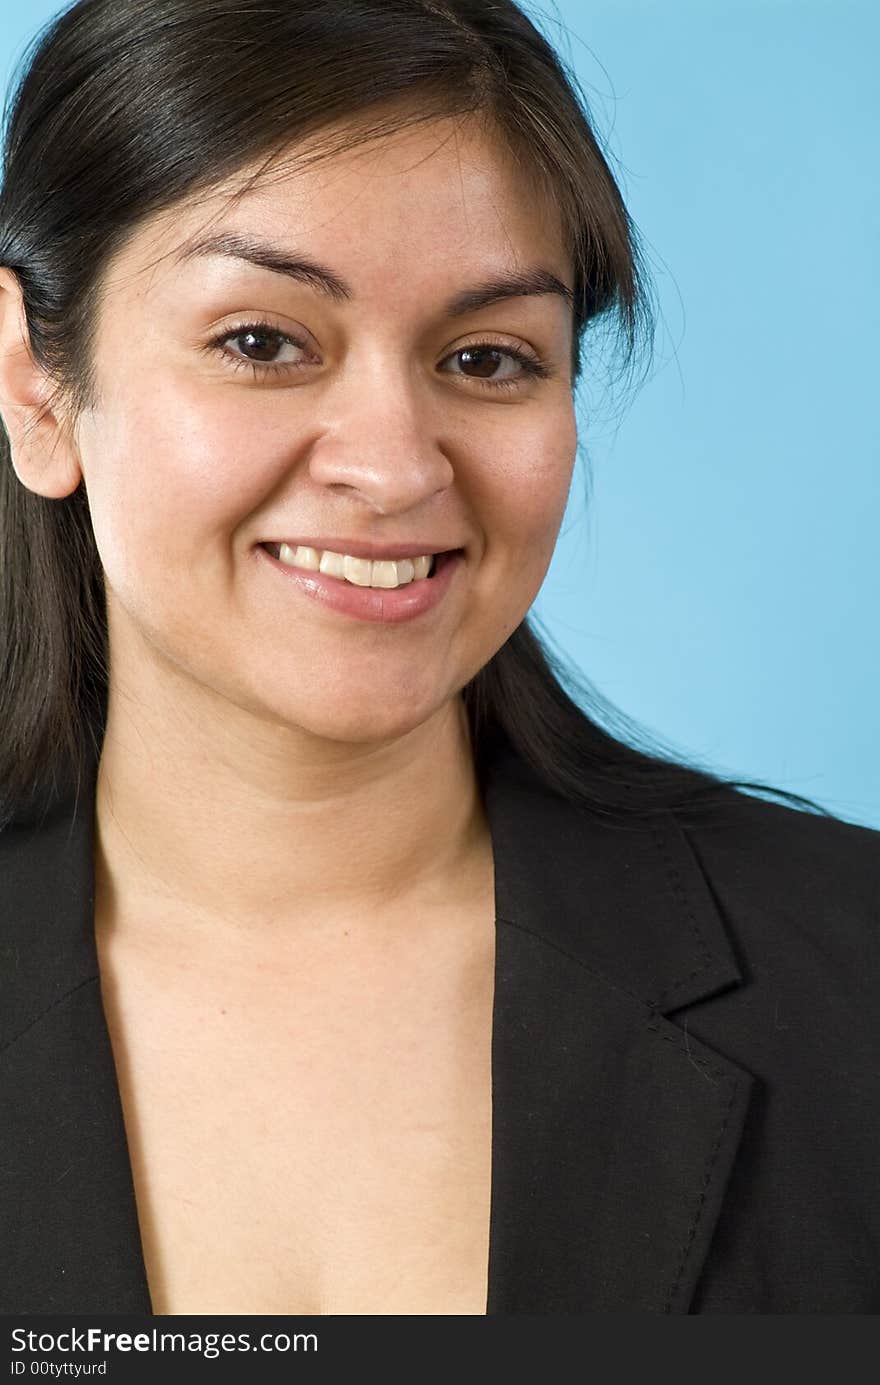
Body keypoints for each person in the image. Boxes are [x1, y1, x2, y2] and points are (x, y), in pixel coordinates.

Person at [0, 0, 877, 1318]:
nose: (395, 464)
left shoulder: (853, 979)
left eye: (486, 357)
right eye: (263, 341)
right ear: (34, 387)